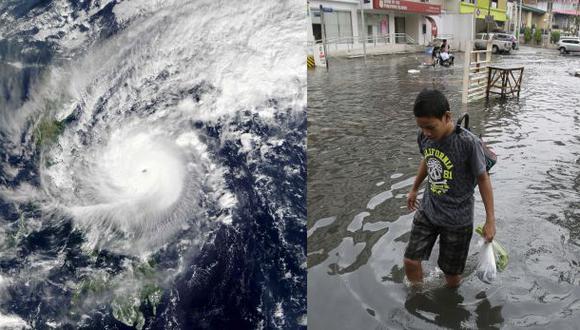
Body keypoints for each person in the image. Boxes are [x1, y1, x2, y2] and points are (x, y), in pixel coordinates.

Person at [404, 89, 496, 288]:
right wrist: (414, 189)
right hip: (428, 209)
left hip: (457, 219)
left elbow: (483, 179)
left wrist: (490, 220)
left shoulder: (468, 143)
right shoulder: (424, 137)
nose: (426, 132)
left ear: (447, 117)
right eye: (421, 127)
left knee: (451, 276)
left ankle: (449, 307)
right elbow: (427, 160)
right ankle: (417, 299)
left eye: (430, 127)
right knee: (410, 261)